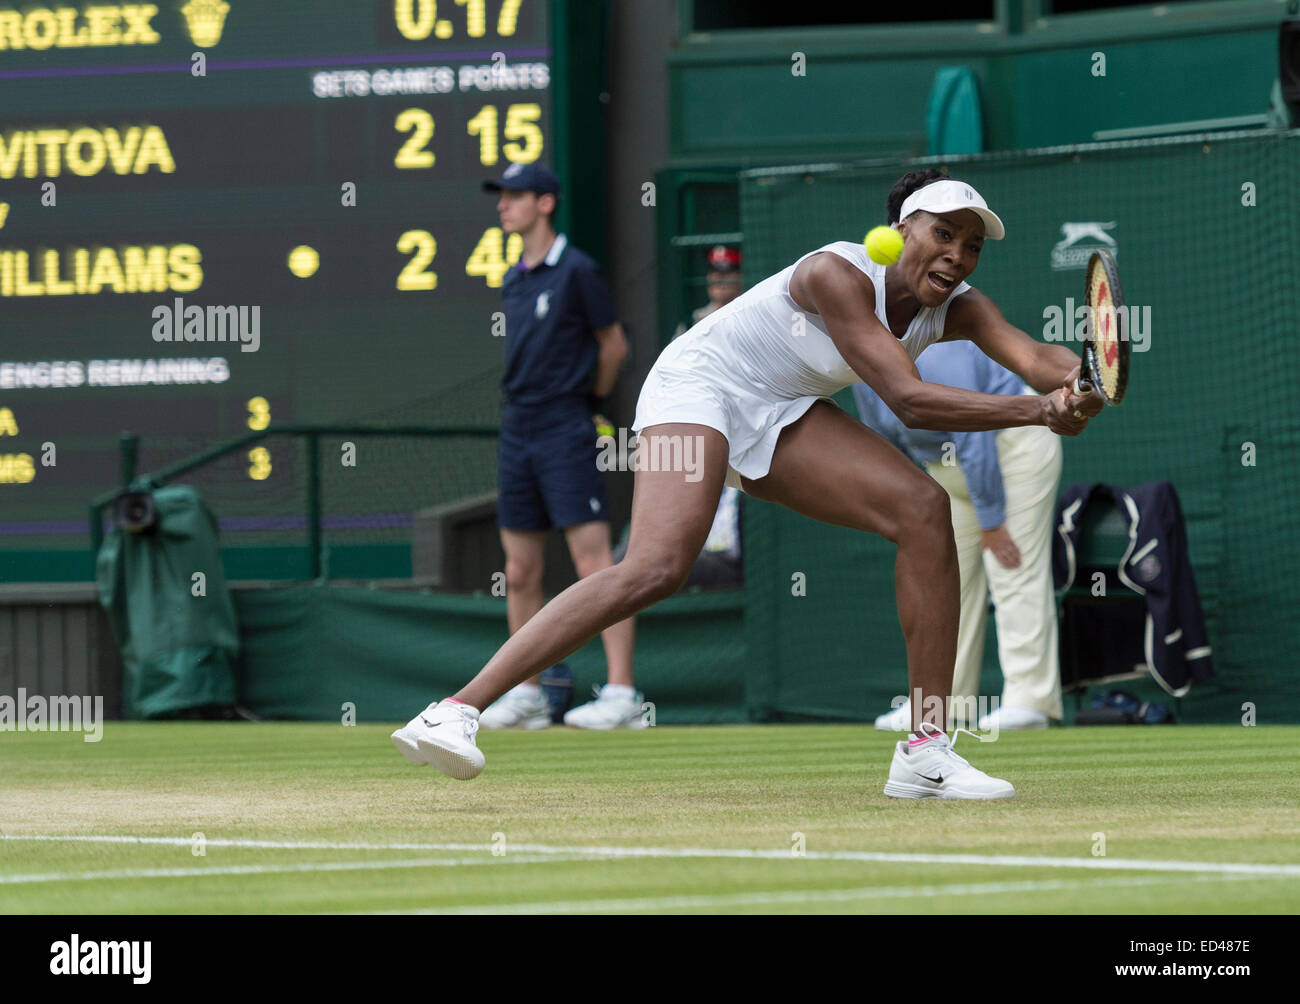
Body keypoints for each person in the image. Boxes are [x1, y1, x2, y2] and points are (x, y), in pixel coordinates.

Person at [393, 168, 1104, 798]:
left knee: (922, 509)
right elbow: (908, 397)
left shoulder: (962, 306)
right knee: (658, 566)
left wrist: (1082, 378)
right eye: (943, 233)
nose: (957, 254)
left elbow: (1034, 354)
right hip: (696, 386)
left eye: (972, 245)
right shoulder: (837, 274)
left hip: (783, 410)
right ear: (899, 230)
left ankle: (924, 750)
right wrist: (1041, 411)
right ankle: (455, 710)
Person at [473, 162, 644, 731]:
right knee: (520, 571)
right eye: (502, 197)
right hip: (517, 427)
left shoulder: (578, 271)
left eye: (515, 196)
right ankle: (526, 692)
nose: (503, 206)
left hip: (567, 425)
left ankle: (621, 693)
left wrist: (586, 401)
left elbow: (613, 346)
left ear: (546, 203)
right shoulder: (513, 278)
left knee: (594, 563)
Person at [853, 339, 1064, 732]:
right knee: (948, 581)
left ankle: (1030, 701)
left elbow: (975, 438)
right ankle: (943, 705)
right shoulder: (860, 371)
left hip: (1011, 450)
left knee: (1012, 572)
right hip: (945, 468)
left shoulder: (938, 354)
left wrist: (992, 522)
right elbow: (883, 444)